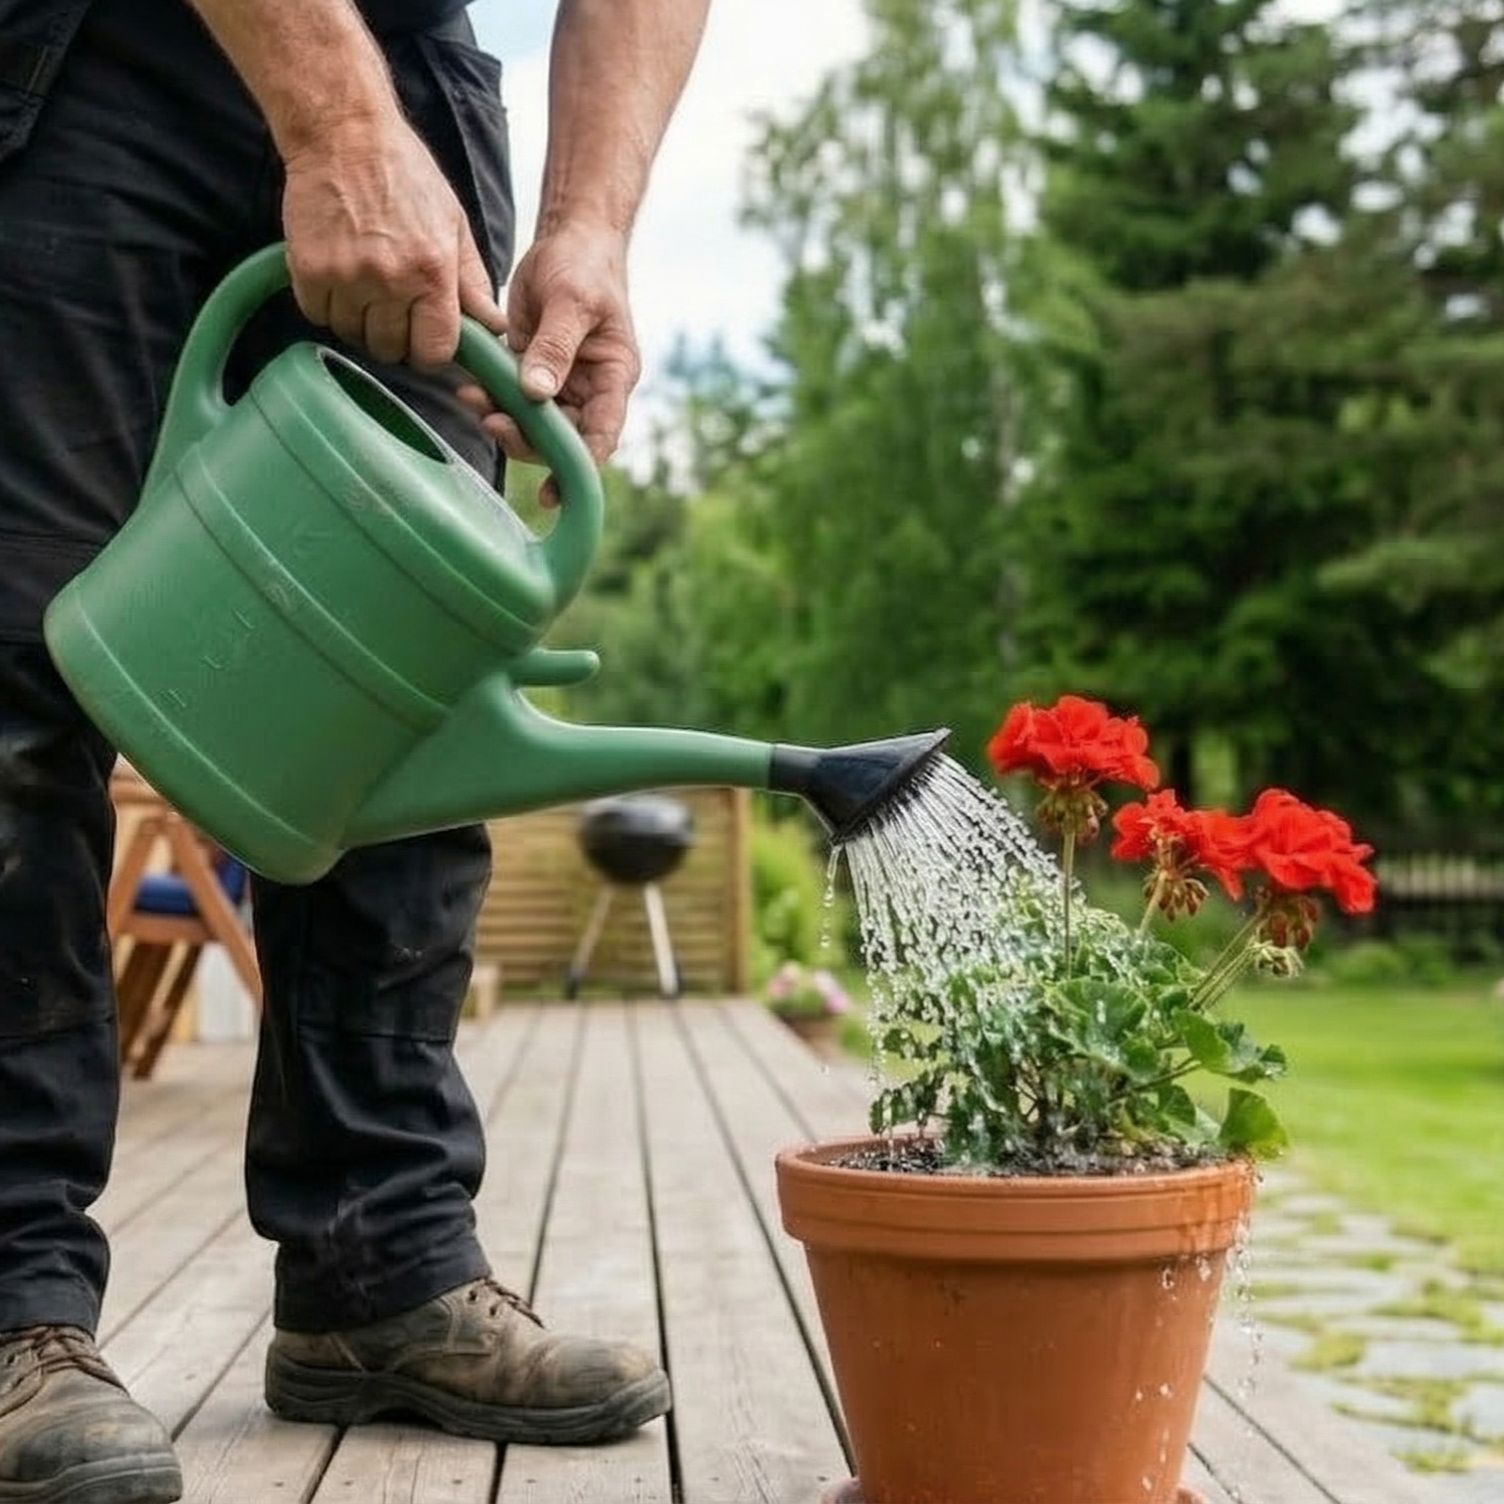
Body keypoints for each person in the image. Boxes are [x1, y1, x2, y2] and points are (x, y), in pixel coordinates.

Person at [0, 0, 708, 1498]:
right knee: (13, 672)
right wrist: (331, 124)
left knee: (410, 666)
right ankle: (10, 1303)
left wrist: (589, 223)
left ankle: (377, 1273)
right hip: (71, 54)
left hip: (415, 62)